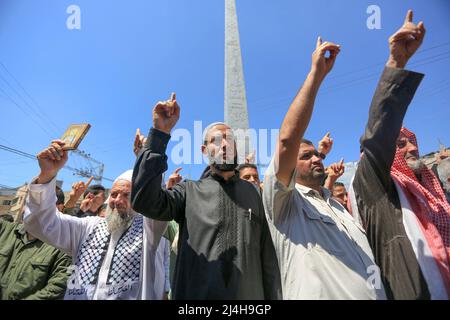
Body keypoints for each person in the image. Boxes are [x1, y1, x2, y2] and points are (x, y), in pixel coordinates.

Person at [262, 35, 386, 299]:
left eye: (318, 155)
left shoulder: (340, 207)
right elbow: (287, 140)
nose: (317, 159)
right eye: (306, 156)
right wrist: (316, 76)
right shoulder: (285, 204)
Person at [131, 93, 281, 300]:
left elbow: (268, 260)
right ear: (204, 150)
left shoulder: (255, 193)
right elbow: (144, 202)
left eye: (229, 140)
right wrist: (159, 134)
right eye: (216, 141)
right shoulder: (188, 191)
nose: (225, 145)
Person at [348, 11, 450, 300]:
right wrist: (396, 64)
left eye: (413, 142)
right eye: (402, 144)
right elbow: (379, 134)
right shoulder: (377, 186)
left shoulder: (432, 187)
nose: (412, 148)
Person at [23, 140, 168, 300]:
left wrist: (148, 159)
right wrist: (47, 175)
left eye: (127, 195)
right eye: (114, 194)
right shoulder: (87, 227)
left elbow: (156, 202)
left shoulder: (149, 232)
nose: (117, 200)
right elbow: (40, 223)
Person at [0, 189, 71, 300]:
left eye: (38, 204)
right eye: (28, 203)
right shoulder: (5, 230)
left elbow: (57, 288)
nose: (29, 209)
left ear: (58, 208)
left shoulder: (62, 247)